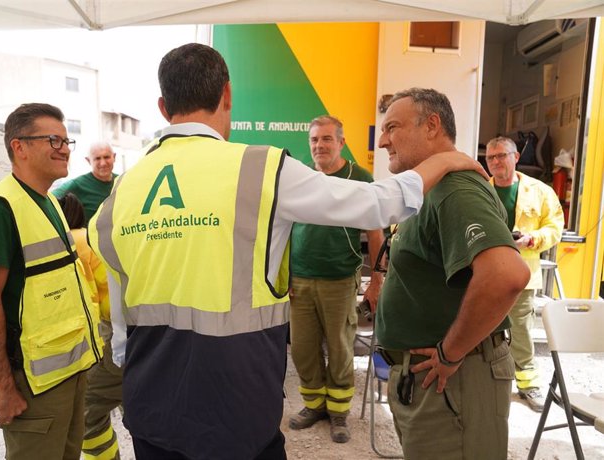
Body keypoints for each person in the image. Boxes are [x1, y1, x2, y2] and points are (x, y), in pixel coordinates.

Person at [88, 44, 487, 460]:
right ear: (227, 94)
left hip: (152, 405)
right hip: (236, 407)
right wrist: (443, 160)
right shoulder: (260, 169)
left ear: (162, 105)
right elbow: (377, 204)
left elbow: (120, 329)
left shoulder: (120, 193)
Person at [375, 87, 531, 459]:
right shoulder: (429, 187)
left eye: (392, 127)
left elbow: (506, 275)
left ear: (432, 125)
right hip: (430, 383)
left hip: (453, 380)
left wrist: (450, 352)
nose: (382, 141)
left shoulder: (455, 187)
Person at [0, 103, 103, 460]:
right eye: (52, 139)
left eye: (66, 139)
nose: (64, 148)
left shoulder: (50, 202)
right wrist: (4, 388)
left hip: (68, 372)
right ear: (19, 147)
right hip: (33, 384)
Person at [288, 115, 384, 443]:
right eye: (315, 140)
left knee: (341, 350)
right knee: (302, 349)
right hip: (299, 280)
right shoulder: (300, 178)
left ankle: (339, 412)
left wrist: (377, 281)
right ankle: (314, 405)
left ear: (341, 142)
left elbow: (375, 232)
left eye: (327, 139)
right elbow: (283, 230)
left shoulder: (360, 178)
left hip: (340, 280)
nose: (319, 146)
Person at [486, 136, 564, 412]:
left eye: (501, 156)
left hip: (522, 275)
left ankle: (528, 383)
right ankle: (485, 383)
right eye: (490, 157)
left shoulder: (540, 191)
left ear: (516, 157)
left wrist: (531, 238)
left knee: (520, 331)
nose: (495, 161)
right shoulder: (482, 189)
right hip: (485, 274)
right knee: (483, 328)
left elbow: (555, 228)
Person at [58, 193, 124, 459]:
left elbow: (84, 299)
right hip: (133, 329)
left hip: (111, 334)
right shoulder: (91, 236)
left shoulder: (70, 243)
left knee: (85, 412)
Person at [53, 142, 117, 222]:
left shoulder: (123, 181)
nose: (103, 163)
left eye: (106, 157)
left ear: (114, 157)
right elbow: (50, 200)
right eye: (97, 158)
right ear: (88, 160)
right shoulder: (77, 185)